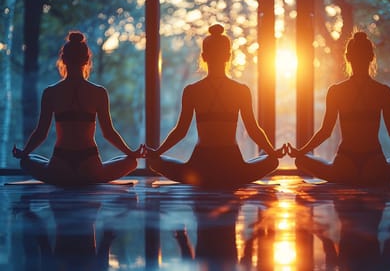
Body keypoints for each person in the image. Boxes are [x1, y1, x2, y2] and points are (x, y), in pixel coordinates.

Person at [147, 24, 285, 188]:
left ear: (204, 57)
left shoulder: (192, 90)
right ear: (228, 56)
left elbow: (180, 131)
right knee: (272, 161)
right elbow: (253, 129)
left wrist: (157, 153)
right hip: (232, 168)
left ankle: (204, 178)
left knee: (155, 162)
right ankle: (227, 177)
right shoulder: (241, 90)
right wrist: (272, 152)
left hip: (200, 168)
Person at [288, 31, 390, 186]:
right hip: (375, 165)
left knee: (301, 160)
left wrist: (301, 151)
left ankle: (347, 176)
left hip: (344, 165)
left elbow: (325, 132)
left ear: (348, 57)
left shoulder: (336, 91)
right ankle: (370, 176)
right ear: (371, 57)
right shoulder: (383, 91)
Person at [12, 31, 144, 185]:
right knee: (131, 162)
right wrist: (131, 153)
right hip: (90, 166)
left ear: (63, 59)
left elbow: (41, 133)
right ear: (87, 60)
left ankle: (64, 175)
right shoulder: (99, 92)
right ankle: (88, 176)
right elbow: (108, 133)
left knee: (26, 161)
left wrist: (24, 153)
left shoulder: (51, 92)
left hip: (60, 166)